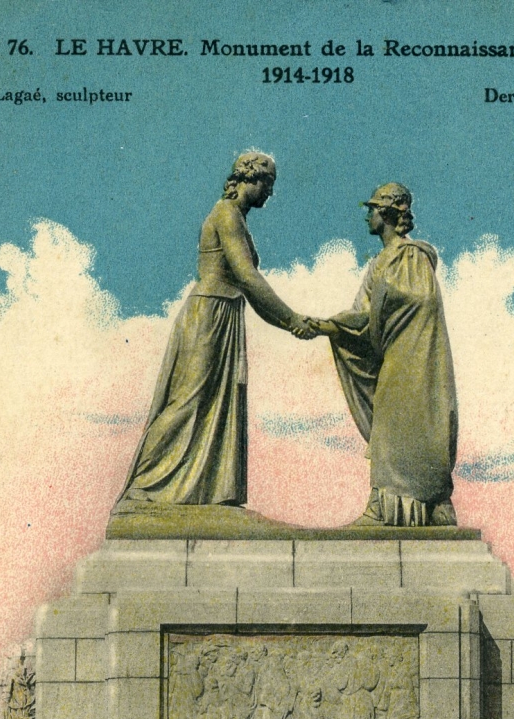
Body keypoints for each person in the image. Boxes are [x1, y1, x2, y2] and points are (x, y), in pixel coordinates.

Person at [118, 152, 314, 507]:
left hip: (225, 315)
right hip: (209, 316)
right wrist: (292, 319)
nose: (270, 193)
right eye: (267, 183)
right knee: (188, 401)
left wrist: (290, 324)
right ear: (248, 179)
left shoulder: (236, 217)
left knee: (211, 407)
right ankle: (144, 487)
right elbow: (248, 276)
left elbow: (250, 293)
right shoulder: (226, 214)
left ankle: (200, 494)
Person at [308, 183, 458, 526]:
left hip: (415, 359)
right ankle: (386, 505)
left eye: (372, 209)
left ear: (388, 214)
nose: (368, 216)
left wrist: (380, 312)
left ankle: (417, 506)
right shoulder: (379, 262)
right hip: (394, 356)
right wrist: (324, 325)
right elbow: (362, 313)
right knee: (389, 430)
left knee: (409, 427)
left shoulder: (412, 256)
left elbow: (420, 302)